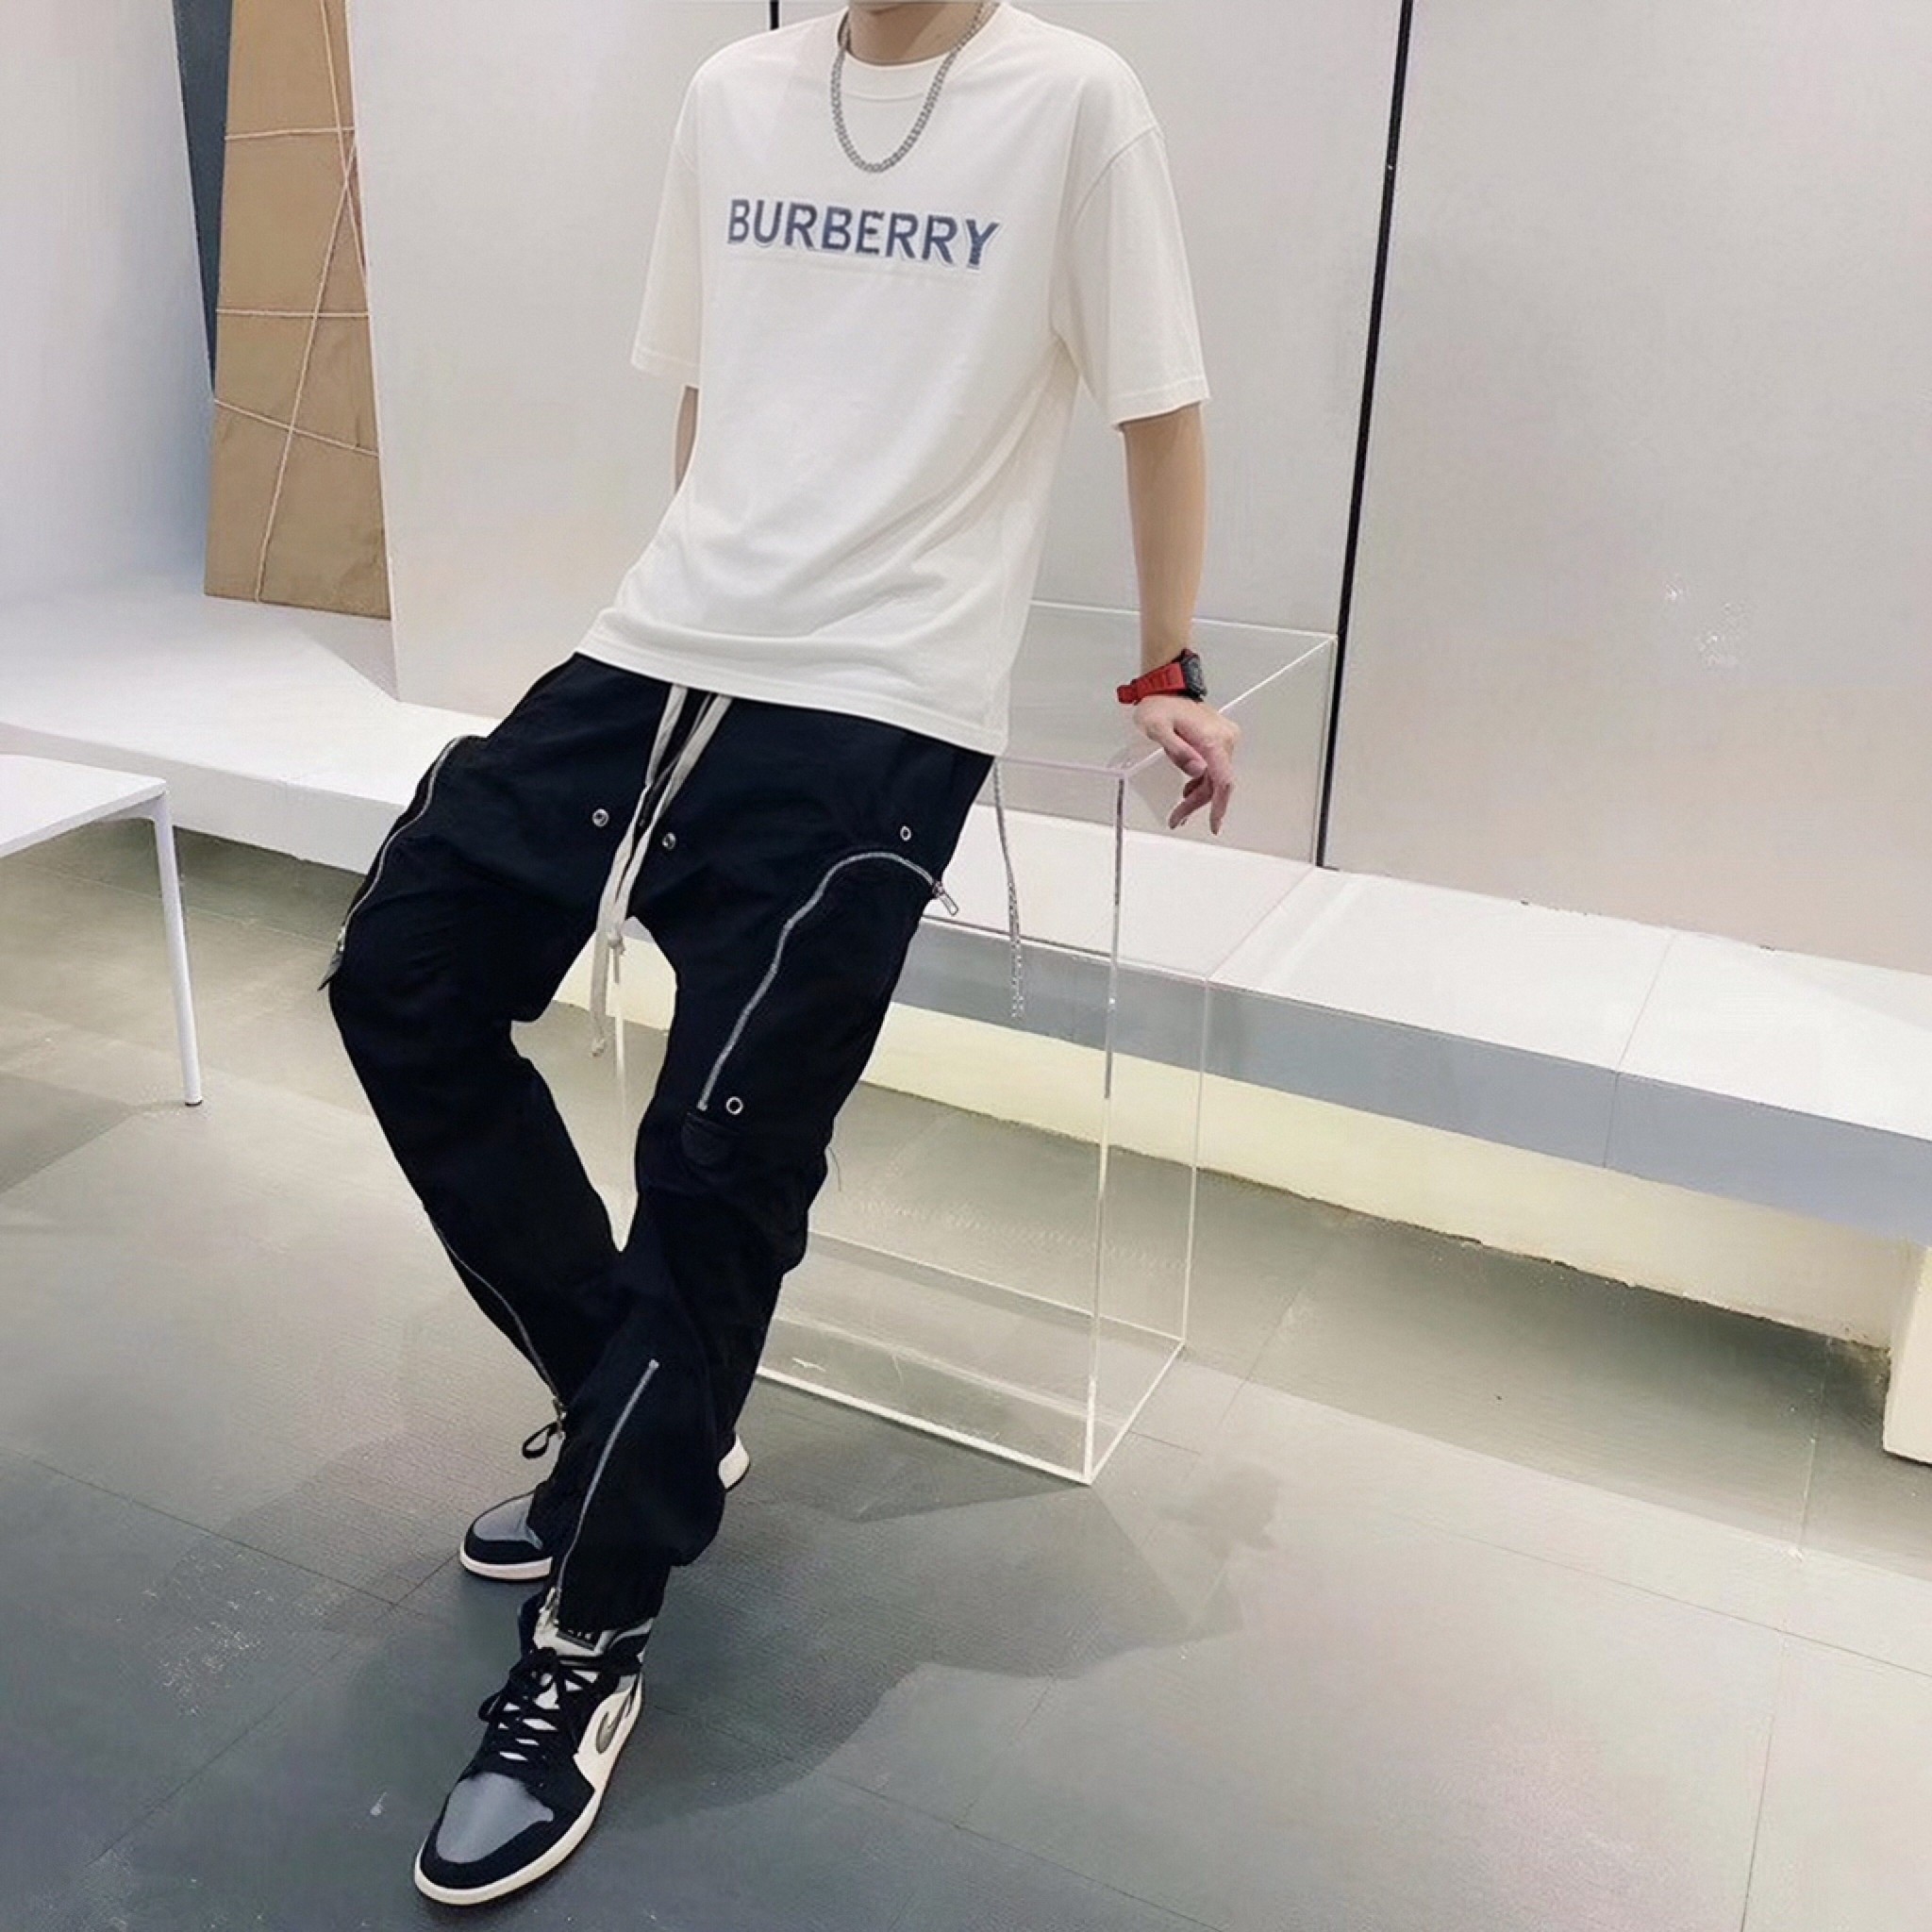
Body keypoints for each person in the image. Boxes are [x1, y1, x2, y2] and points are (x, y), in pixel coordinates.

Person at [325, 0, 1238, 1906]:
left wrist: (1163, 663)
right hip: (666, 646)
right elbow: (712, 390)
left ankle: (588, 1637)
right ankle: (641, 1415)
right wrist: (694, 584)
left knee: (721, 1156)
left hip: (884, 703)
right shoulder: (734, 93)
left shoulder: (1076, 100)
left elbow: (1159, 402)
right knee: (401, 969)